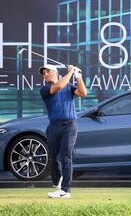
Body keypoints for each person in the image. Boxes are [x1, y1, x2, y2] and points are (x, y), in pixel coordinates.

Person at [39, 64, 87, 198]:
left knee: (66, 156)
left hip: (69, 126)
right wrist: (71, 71)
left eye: (47, 72)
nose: (45, 75)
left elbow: (83, 93)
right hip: (53, 127)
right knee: (54, 158)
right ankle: (57, 182)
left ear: (55, 72)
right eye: (43, 73)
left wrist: (78, 77)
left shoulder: (69, 87)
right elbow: (59, 86)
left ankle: (65, 190)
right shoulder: (45, 89)